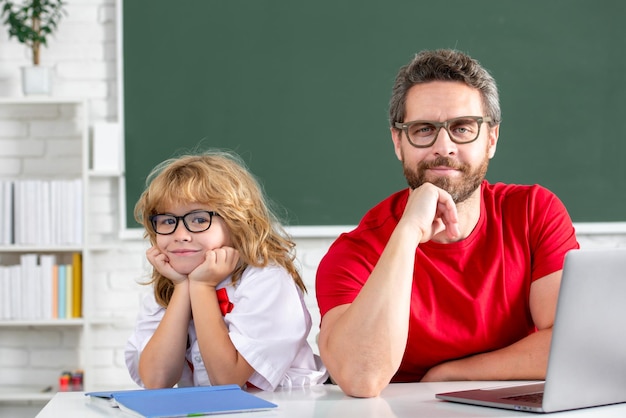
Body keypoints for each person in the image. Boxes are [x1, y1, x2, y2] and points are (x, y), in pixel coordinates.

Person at [315, 49, 579, 398]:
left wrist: (453, 373)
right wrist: (407, 233)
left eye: (462, 128)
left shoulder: (534, 213)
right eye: (423, 129)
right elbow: (360, 378)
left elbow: (573, 345)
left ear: (492, 139)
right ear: (398, 142)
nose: (444, 147)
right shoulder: (355, 252)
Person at [125, 150, 328, 391]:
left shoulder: (266, 280)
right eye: (167, 221)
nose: (180, 236)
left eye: (199, 220)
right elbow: (156, 380)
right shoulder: (171, 283)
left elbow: (227, 380)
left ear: (236, 222)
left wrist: (201, 287)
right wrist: (182, 288)